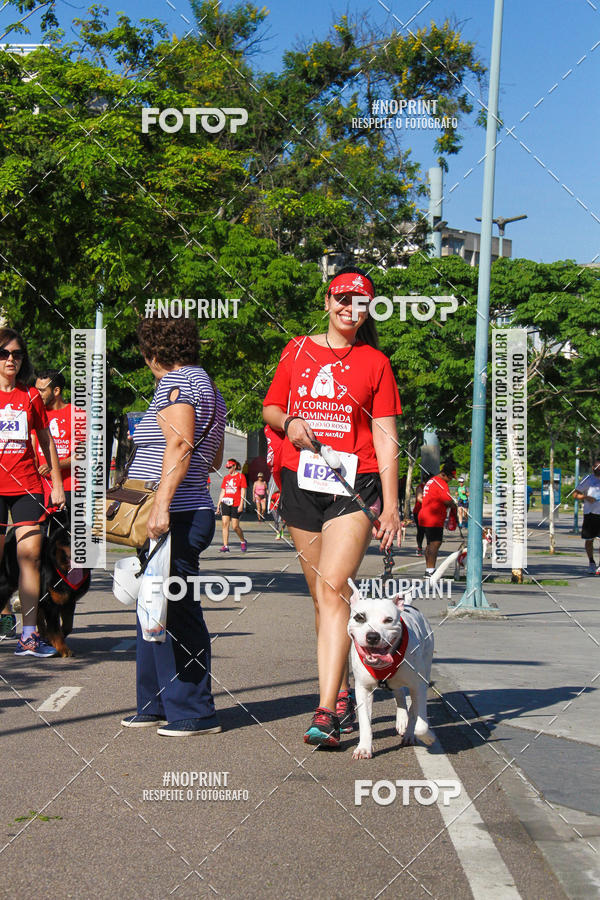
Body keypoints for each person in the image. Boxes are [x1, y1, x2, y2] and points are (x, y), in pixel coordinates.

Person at [263, 265, 402, 747]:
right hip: (300, 480)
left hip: (355, 486)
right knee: (326, 601)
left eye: (360, 302)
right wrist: (290, 421)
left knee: (333, 586)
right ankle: (341, 690)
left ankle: (325, 711)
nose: (350, 308)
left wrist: (391, 504)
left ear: (367, 312)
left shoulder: (375, 363)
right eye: (342, 299)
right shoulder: (297, 349)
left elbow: (386, 436)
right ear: (327, 301)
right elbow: (269, 408)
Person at [120, 315, 226, 736]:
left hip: (176, 513)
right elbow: (213, 459)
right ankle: (156, 703)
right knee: (154, 606)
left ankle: (195, 711)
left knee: (177, 611)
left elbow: (179, 443)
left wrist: (161, 505)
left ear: (152, 353)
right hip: (183, 509)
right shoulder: (208, 387)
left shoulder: (176, 382)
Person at [0, 329, 65, 652]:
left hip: (26, 485)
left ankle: (28, 634)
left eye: (16, 354)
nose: (11, 359)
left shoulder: (30, 397)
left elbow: (46, 439)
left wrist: (55, 484)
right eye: (4, 353)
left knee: (31, 556)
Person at [32, 371, 75, 515]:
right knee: (38, 535)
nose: (37, 394)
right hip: (39, 488)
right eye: (36, 389)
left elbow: (83, 457)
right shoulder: (35, 414)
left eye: (42, 390)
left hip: (70, 488)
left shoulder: (77, 414)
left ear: (56, 391)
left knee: (63, 536)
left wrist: (53, 466)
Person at [419, 460, 457, 577]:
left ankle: (428, 570)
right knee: (435, 543)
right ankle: (431, 571)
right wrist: (454, 505)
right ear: (444, 474)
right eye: (450, 477)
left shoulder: (432, 481)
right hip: (433, 517)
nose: (450, 480)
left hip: (424, 516)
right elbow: (446, 500)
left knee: (430, 543)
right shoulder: (441, 483)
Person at [573, 459, 600, 574]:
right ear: (593, 467)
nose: (598, 468)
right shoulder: (588, 479)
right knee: (589, 540)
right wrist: (586, 498)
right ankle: (591, 563)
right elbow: (575, 494)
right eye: (596, 466)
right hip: (590, 514)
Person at [217, 459, 247, 552]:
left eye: (230, 467)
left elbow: (243, 491)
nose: (228, 469)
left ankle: (242, 541)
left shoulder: (241, 477)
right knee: (225, 524)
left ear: (234, 466)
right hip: (225, 502)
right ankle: (225, 546)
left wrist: (241, 504)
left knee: (235, 526)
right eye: (227, 468)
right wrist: (218, 505)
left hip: (236, 503)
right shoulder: (226, 478)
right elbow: (223, 491)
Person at [413, 481, 425, 556]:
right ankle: (419, 548)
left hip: (428, 511)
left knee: (428, 531)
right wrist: (430, 502)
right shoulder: (420, 487)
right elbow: (419, 498)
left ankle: (429, 548)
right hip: (419, 511)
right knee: (421, 530)